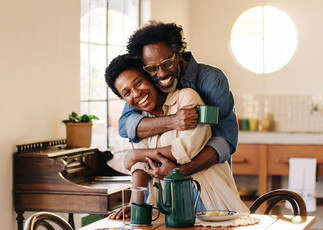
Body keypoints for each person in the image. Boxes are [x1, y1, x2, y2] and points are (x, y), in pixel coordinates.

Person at [105, 54, 248, 219]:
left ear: (151, 79)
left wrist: (135, 154)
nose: (136, 93)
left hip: (207, 198)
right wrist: (134, 203)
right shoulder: (140, 120)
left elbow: (185, 150)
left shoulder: (187, 97)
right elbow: (141, 165)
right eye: (126, 93)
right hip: (166, 208)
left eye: (138, 82)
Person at [118, 20, 239, 179]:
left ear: (179, 54)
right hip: (159, 187)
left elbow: (225, 139)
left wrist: (180, 173)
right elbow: (125, 126)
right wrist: (173, 121)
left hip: (208, 184)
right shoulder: (147, 84)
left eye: (167, 63)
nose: (161, 74)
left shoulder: (211, 80)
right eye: (152, 68)